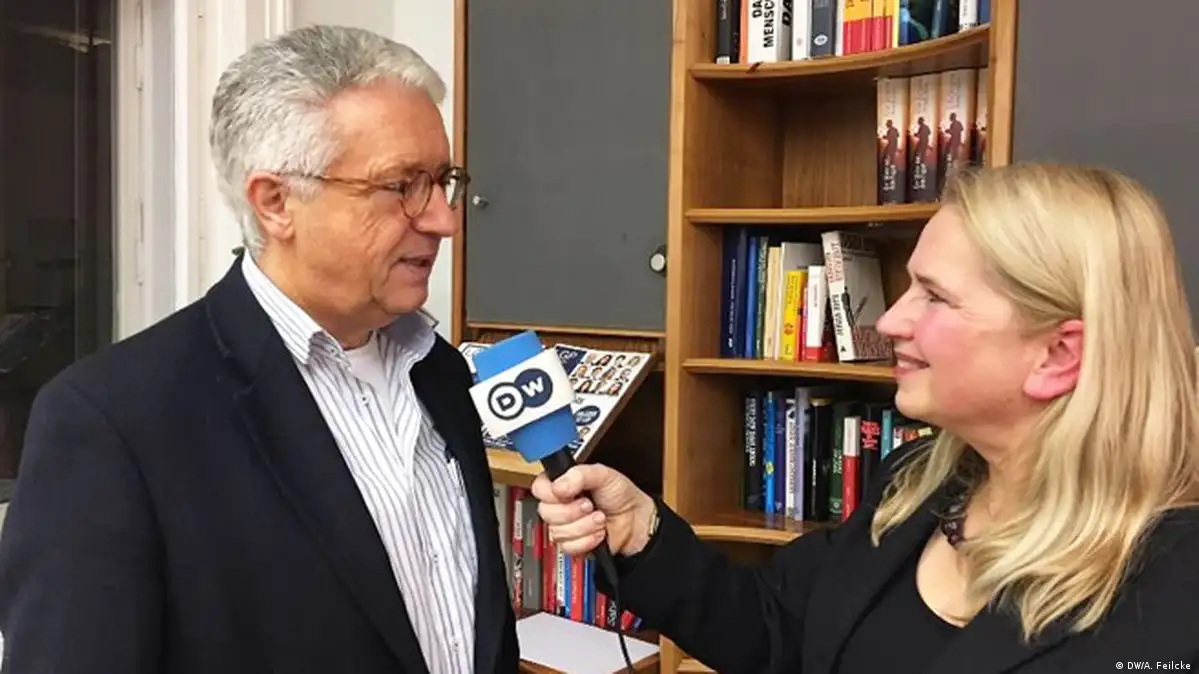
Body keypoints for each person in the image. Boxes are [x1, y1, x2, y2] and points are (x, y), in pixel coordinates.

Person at [532, 163, 1199, 673]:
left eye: (935, 297)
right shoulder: (915, 483)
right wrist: (641, 532)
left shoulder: (1174, 589)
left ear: (1057, 354)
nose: (889, 320)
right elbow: (777, 631)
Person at [0, 25, 517, 674]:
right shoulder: (112, 421)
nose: (444, 219)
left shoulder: (441, 372)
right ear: (276, 203)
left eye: (443, 180)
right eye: (402, 185)